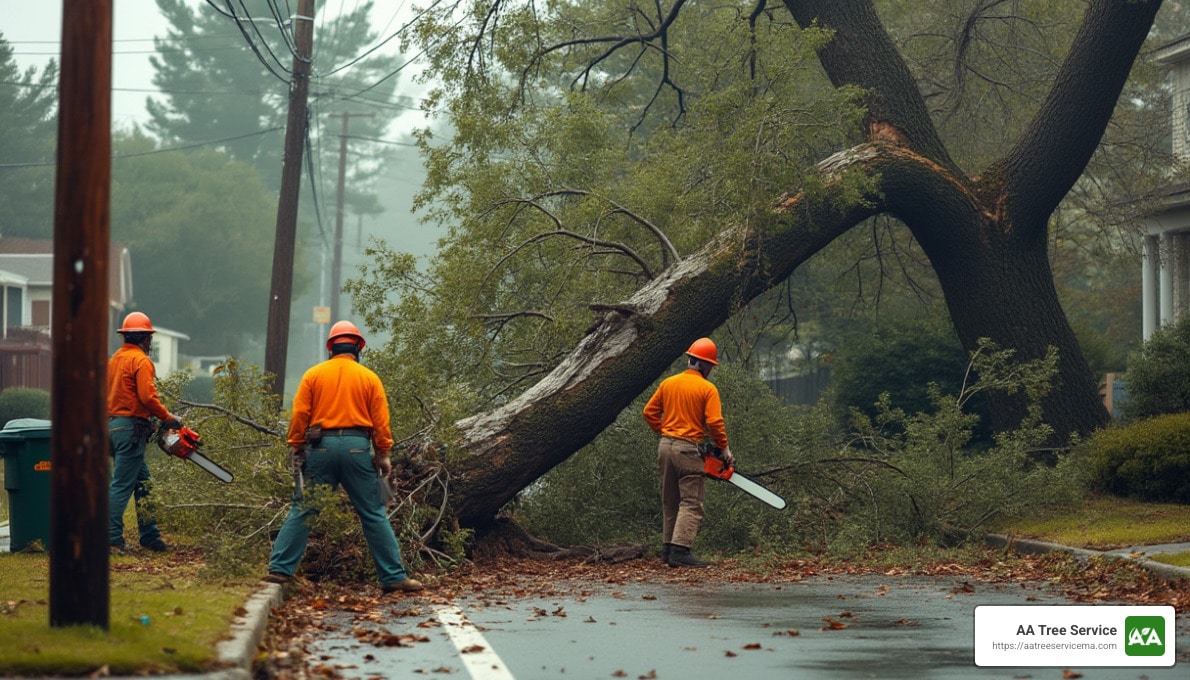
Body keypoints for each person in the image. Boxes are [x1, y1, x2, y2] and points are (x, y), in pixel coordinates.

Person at [266, 321, 423, 593]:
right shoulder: (369, 378)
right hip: (357, 448)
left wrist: (296, 447)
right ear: (358, 347)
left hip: (321, 449)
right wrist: (383, 454)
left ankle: (279, 571)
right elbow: (381, 422)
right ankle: (393, 577)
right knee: (373, 513)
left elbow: (300, 415)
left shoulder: (313, 375)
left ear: (330, 348)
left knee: (304, 510)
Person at [642, 337, 734, 568]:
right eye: (711, 365)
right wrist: (723, 448)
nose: (712, 369)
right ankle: (680, 551)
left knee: (670, 500)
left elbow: (649, 412)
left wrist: (665, 432)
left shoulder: (669, 383)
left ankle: (667, 549)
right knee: (692, 502)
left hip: (665, 446)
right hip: (687, 448)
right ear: (703, 364)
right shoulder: (707, 389)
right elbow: (714, 421)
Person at [108, 311, 181, 553]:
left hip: (113, 427)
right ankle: (111, 539)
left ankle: (150, 536)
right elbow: (148, 397)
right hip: (129, 430)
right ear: (146, 339)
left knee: (144, 485)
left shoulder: (114, 360)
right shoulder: (141, 361)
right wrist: (168, 418)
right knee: (121, 485)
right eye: (149, 338)